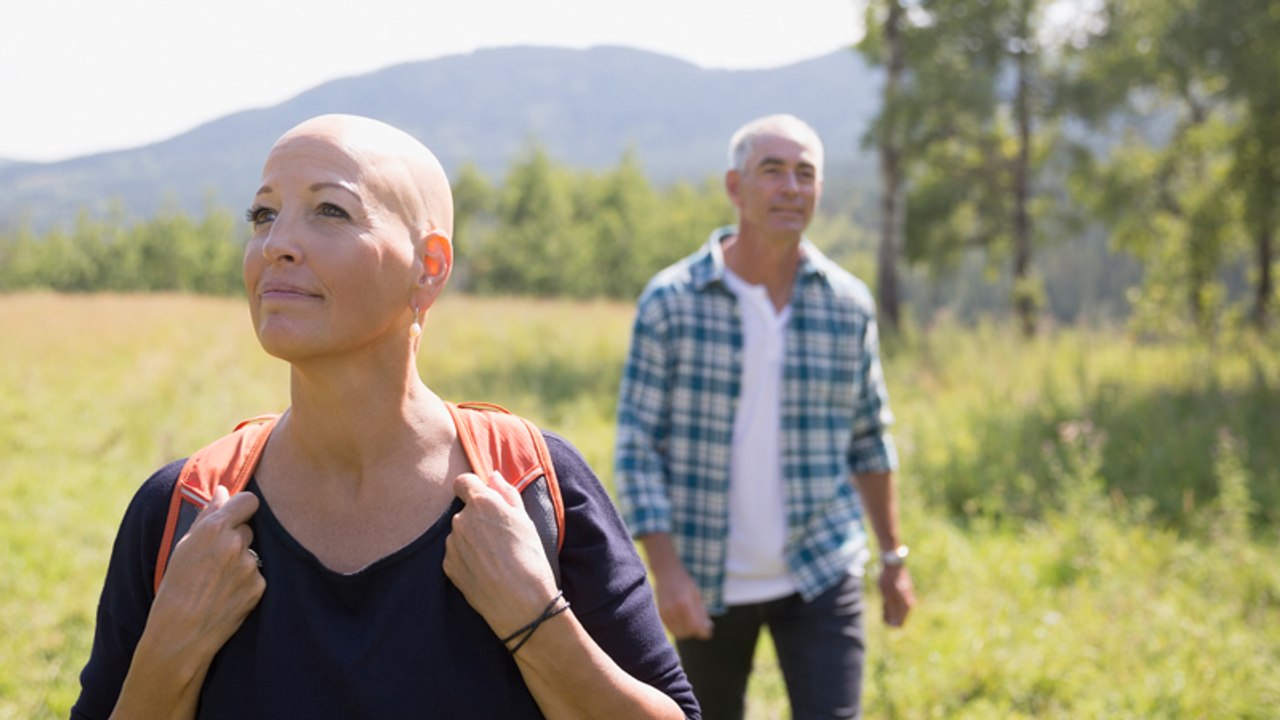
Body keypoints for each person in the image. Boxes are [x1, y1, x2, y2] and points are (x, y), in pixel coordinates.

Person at [72, 114, 699, 720]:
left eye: (330, 210)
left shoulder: (536, 487)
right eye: (263, 214)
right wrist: (169, 647)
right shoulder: (182, 511)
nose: (276, 244)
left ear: (428, 267)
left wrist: (535, 618)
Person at [613, 114, 916, 720]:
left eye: (805, 174)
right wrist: (667, 574)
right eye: (772, 171)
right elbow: (637, 447)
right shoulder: (671, 304)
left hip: (821, 567)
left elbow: (868, 440)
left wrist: (892, 559)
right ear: (735, 187)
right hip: (706, 578)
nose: (791, 187)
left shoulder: (846, 305)